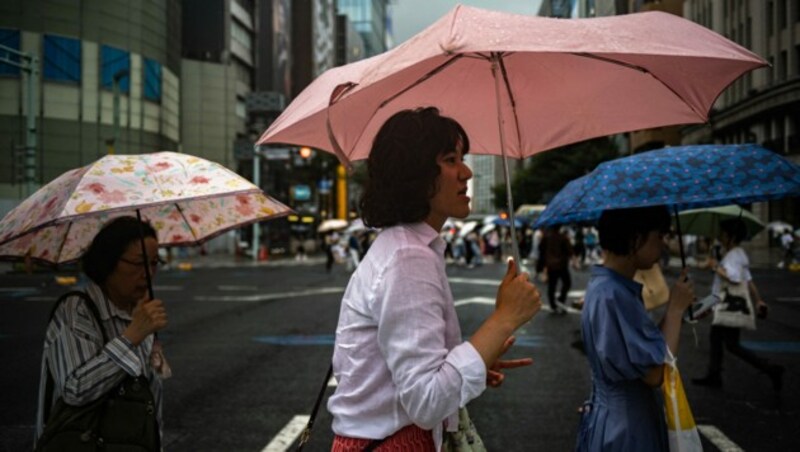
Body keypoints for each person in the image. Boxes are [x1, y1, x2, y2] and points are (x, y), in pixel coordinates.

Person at [328, 107, 541, 451]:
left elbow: (408, 372)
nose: (466, 172)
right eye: (451, 159)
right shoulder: (407, 258)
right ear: (414, 172)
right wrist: (504, 319)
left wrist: (477, 358)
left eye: (462, 158)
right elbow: (426, 402)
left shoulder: (406, 247)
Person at [34, 216, 169, 449]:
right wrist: (131, 338)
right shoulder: (76, 310)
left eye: (155, 263)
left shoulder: (140, 311)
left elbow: (150, 401)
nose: (148, 273)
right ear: (108, 263)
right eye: (139, 263)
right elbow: (75, 389)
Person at [576, 206, 694, 451]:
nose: (663, 244)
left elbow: (646, 348)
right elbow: (654, 373)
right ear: (636, 239)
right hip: (628, 429)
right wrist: (674, 311)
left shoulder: (609, 287)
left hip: (615, 419)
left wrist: (677, 312)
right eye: (659, 236)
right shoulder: (614, 294)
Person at [692, 218, 785, 390]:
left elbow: (734, 278)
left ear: (731, 236)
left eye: (723, 234)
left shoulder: (733, 256)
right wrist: (758, 300)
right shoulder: (738, 253)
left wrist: (715, 267)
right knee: (723, 341)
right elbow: (748, 280)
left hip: (728, 305)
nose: (720, 237)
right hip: (730, 304)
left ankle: (769, 369)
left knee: (729, 344)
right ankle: (715, 374)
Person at [536, 225, 573, 314]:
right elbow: (570, 251)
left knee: (552, 286)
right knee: (567, 283)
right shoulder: (563, 237)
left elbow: (540, 249)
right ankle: (561, 299)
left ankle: (553, 305)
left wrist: (542, 264)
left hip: (550, 265)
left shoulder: (546, 237)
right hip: (562, 265)